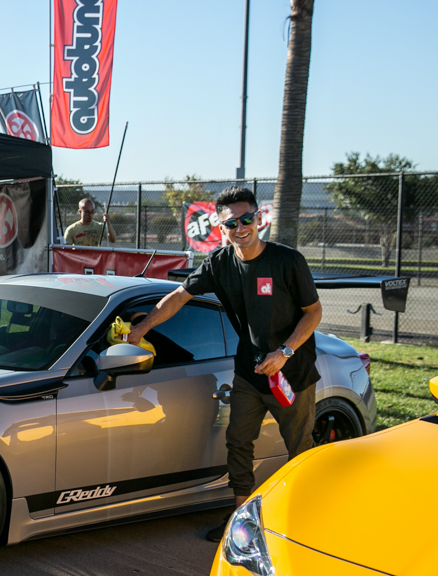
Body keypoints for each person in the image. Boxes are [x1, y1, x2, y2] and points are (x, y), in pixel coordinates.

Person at [125, 186, 323, 542]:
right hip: (250, 371)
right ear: (220, 228)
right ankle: (240, 523)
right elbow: (178, 297)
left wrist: (285, 353)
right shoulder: (218, 263)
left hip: (292, 373)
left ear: (259, 219)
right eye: (231, 223)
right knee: (238, 443)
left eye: (246, 219)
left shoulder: (287, 261)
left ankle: (305, 522)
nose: (240, 228)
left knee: (299, 449)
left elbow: (313, 312)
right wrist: (141, 328)